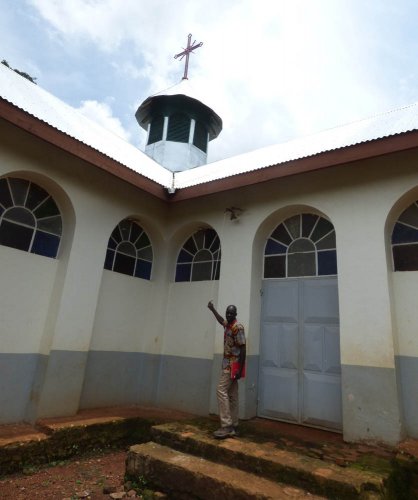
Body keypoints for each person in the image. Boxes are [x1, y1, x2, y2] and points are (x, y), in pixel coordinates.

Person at [207, 300, 246, 439]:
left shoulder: (237, 327)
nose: (228, 315)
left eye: (231, 313)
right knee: (232, 395)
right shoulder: (228, 325)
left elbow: (243, 349)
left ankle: (226, 425)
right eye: (227, 313)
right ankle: (234, 425)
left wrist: (239, 370)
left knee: (221, 390)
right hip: (228, 365)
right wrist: (212, 309)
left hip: (232, 366)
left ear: (235, 314)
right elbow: (220, 320)